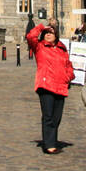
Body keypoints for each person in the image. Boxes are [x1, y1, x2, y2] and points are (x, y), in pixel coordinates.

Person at [25, 21, 75, 154]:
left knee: (56, 117)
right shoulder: (39, 47)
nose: (48, 35)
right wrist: (41, 27)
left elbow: (68, 64)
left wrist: (69, 76)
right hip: (45, 85)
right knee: (48, 115)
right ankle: (49, 145)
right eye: (46, 33)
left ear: (56, 35)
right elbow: (30, 37)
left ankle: (52, 140)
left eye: (50, 33)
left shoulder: (61, 48)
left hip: (60, 85)